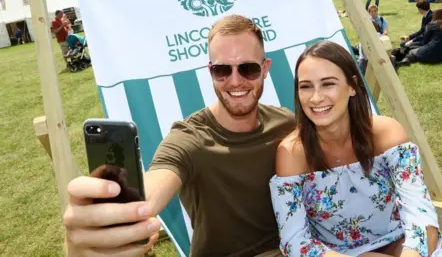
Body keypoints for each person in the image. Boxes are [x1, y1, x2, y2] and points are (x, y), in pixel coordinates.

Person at [62, 14, 296, 257]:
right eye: (222, 70)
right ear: (210, 71)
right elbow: (158, 179)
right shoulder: (189, 139)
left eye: (248, 68)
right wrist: (106, 224)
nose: (235, 81)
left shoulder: (285, 123)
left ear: (265, 68)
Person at [269, 40, 442, 257]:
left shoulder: (386, 134)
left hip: (407, 244)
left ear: (352, 86)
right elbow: (294, 240)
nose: (316, 97)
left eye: (328, 83)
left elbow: (419, 212)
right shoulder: (293, 153)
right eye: (306, 86)